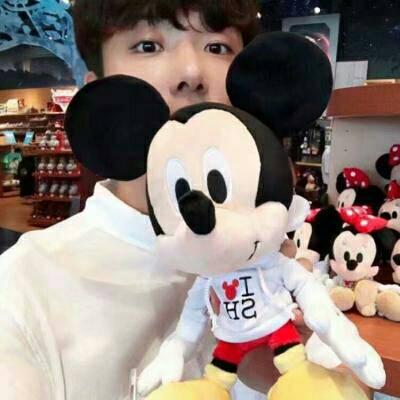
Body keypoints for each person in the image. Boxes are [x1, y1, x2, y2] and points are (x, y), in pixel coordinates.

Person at [0, 1, 265, 399]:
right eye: (148, 46)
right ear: (97, 88)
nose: (191, 73)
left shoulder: (278, 256)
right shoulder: (25, 287)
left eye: (217, 47)